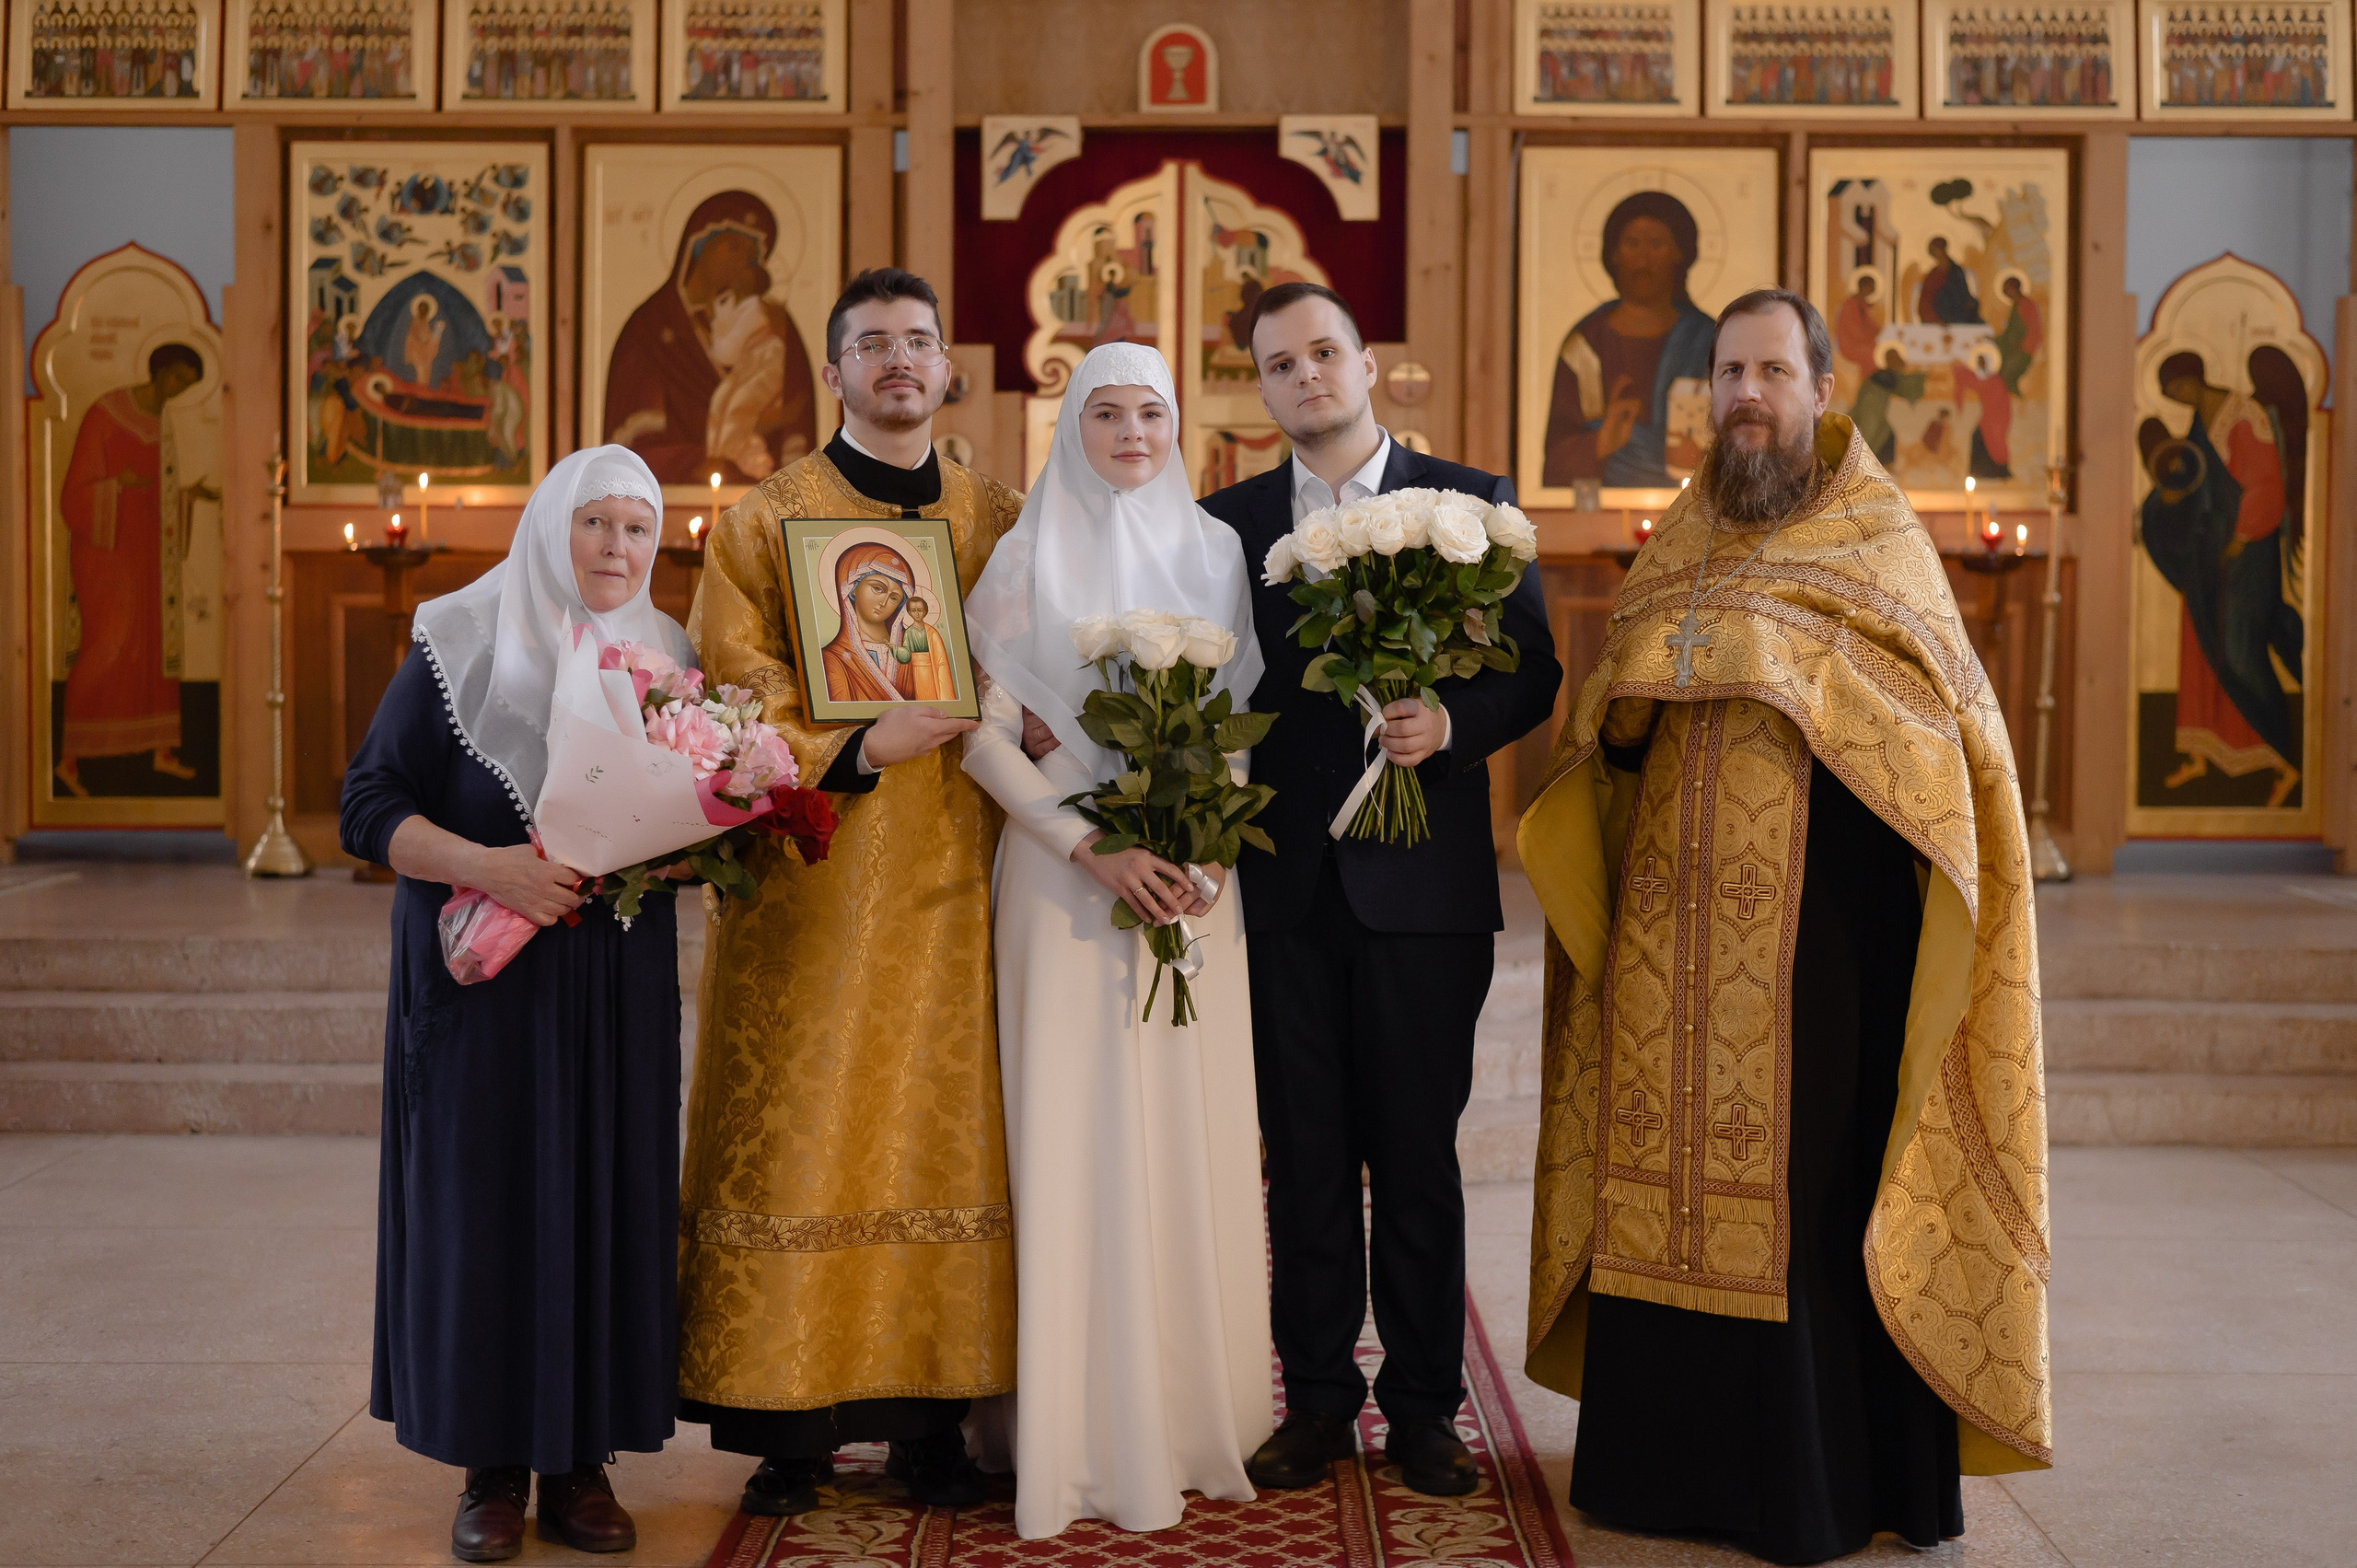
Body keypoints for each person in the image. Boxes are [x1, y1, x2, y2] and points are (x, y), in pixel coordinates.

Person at [1515, 289, 2052, 1564]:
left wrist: (1784, 675)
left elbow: (1942, 746)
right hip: (1665, 947)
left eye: (1770, 369)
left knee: (1807, 1196)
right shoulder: (1681, 540)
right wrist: (1625, 708)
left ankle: (1812, 1480)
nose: (1745, 394)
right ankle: (1660, 1470)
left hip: (1825, 944)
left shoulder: (1880, 544)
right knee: (1659, 1186)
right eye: (1727, 373)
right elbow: (1608, 714)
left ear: (1821, 387)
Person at [1197, 282, 1562, 1498]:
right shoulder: (1224, 524)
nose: (1307, 377)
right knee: (1300, 1160)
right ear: (1262, 389)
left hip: (1425, 895)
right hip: (1285, 889)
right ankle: (1312, 1401)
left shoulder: (1471, 505)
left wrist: (1449, 721)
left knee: (1415, 1155)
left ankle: (1420, 1406)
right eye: (1279, 364)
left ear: (1367, 362)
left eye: (1323, 352)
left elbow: (1535, 671)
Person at [679, 266, 1024, 1516]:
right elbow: (730, 674)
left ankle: (935, 1417)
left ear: (945, 369)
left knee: (943, 1127)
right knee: (815, 1129)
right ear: (831, 371)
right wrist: (851, 746)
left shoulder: (994, 513)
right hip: (816, 874)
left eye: (918, 341)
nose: (897, 360)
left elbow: (1038, 651)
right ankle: (793, 1421)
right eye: (871, 343)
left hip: (961, 877)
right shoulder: (768, 518)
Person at [338, 445, 691, 1563]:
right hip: (482, 981)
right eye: (597, 524)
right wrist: (491, 866)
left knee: (603, 1193)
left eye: (639, 529)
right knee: (486, 1203)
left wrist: (685, 850)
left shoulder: (666, 652)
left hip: (610, 982)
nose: (618, 548)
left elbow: (695, 813)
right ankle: (491, 1464)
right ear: (551, 527)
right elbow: (365, 805)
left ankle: (580, 1462)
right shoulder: (461, 639)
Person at [963, 343, 1272, 1538]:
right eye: (1107, 412)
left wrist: (1209, 847)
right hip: (1064, 883)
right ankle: (1072, 1427)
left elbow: (1238, 724)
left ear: (1178, 423)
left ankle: (1191, 1411)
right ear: (1071, 427)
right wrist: (1087, 841)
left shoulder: (1213, 549)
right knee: (1073, 1133)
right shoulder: (1023, 554)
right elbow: (984, 735)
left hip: (1193, 888)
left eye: (1151, 410)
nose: (1132, 430)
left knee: (1182, 1139)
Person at [2141, 348, 2305, 806]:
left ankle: (2282, 756)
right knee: (2199, 646)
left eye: (2178, 388)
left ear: (2195, 378)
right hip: (2213, 556)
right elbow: (2199, 483)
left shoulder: (2242, 415)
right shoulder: (2201, 422)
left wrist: (2241, 534)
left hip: (2249, 554)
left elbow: (2265, 486)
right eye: (2170, 394)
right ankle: (2202, 753)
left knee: (2239, 653)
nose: (2179, 397)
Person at [54, 342, 218, 798]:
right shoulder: (105, 414)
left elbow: (156, 492)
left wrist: (188, 494)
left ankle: (159, 750)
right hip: (105, 554)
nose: (181, 390)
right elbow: (74, 496)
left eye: (189, 385)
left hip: (147, 554)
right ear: (161, 371)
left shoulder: (161, 424)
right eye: (179, 379)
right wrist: (116, 486)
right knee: (108, 643)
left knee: (152, 645)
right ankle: (69, 758)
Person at [602, 190, 817, 484]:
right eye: (732, 247)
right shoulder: (651, 327)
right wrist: (703, 460)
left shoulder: (774, 323)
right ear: (698, 247)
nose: (744, 263)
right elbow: (632, 444)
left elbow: (797, 422)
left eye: (752, 256)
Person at [1540, 191, 1716, 489]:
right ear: (1615, 253)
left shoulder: (1709, 341)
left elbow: (1742, 438)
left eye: (1656, 244)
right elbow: (1556, 459)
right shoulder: (1586, 346)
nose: (1643, 258)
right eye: (1632, 243)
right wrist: (1601, 441)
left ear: (1678, 253)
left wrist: (1705, 458)